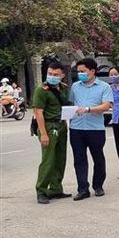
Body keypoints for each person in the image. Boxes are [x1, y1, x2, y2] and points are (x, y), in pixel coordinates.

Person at [69, 58, 114, 201]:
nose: (80, 74)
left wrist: (89, 109)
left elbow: (107, 106)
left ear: (92, 71)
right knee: (79, 160)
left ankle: (98, 186)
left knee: (98, 158)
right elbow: (70, 103)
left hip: (95, 129)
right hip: (76, 128)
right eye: (78, 72)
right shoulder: (75, 86)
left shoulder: (104, 87)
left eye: (83, 71)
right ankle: (82, 189)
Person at [32, 62, 71, 204]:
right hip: (48, 126)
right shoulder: (41, 90)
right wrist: (43, 133)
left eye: (55, 75)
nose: (52, 77)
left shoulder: (63, 88)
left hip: (61, 125)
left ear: (62, 75)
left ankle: (56, 188)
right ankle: (41, 190)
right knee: (48, 160)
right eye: (50, 74)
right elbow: (38, 113)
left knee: (60, 159)